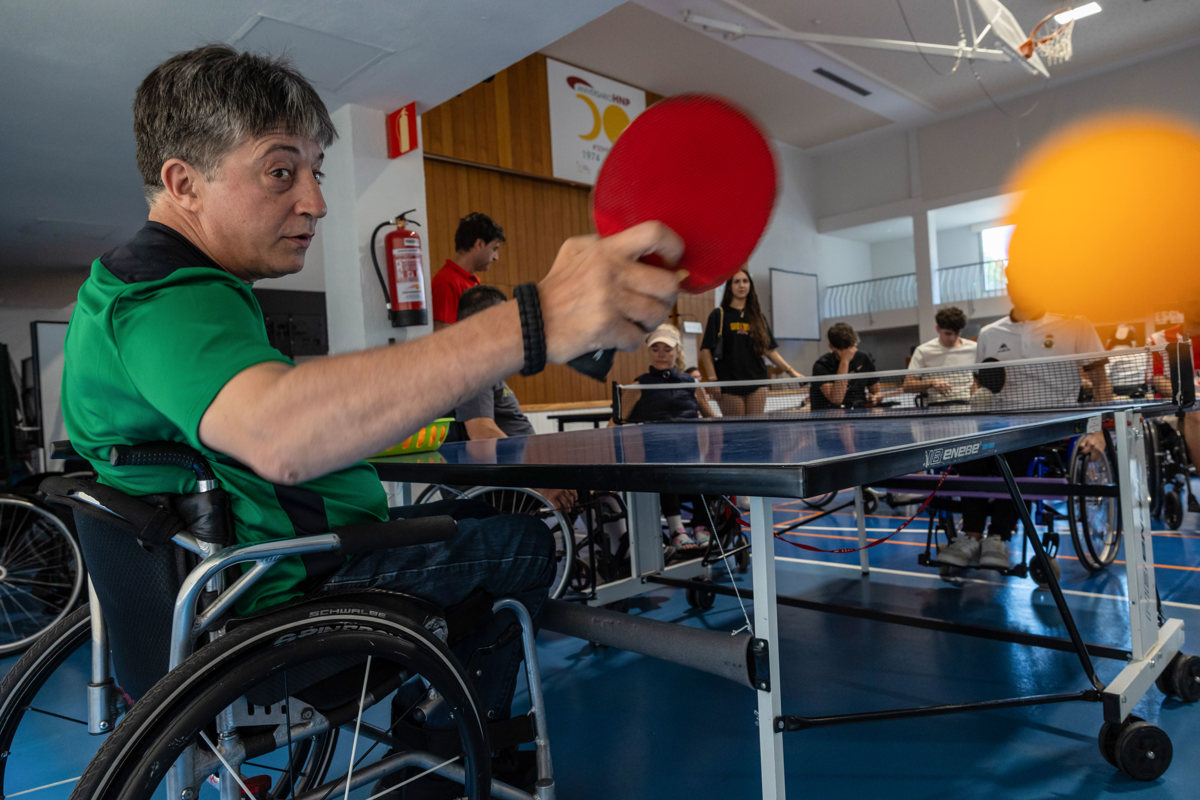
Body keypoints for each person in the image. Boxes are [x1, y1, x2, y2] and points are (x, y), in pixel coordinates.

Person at [58, 44, 683, 781]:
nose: (316, 201)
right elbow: (279, 433)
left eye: (315, 173)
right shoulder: (164, 297)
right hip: (282, 605)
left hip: (246, 585)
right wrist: (537, 316)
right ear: (183, 183)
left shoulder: (150, 289)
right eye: (280, 171)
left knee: (474, 519)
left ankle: (437, 711)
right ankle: (460, 738)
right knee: (523, 542)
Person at [939, 302, 1110, 570]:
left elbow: (1100, 380)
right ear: (1009, 282)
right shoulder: (990, 332)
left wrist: (1098, 430)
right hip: (999, 425)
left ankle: (998, 537)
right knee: (970, 451)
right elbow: (980, 382)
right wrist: (978, 398)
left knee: (1017, 454)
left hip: (1054, 427)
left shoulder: (1075, 323)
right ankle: (970, 537)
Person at [622, 323, 711, 548]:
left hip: (691, 454)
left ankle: (701, 526)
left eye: (667, 349)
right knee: (665, 468)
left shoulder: (691, 383)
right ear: (648, 352)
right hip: (657, 455)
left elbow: (711, 418)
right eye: (655, 349)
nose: (661, 354)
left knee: (711, 470)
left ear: (678, 351)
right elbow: (618, 421)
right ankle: (676, 529)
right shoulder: (639, 385)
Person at [698, 267, 803, 417]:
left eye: (745, 281)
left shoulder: (758, 317)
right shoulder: (718, 315)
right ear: (730, 287)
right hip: (729, 382)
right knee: (737, 431)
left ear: (750, 286)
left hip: (757, 381)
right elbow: (705, 350)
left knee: (756, 429)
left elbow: (769, 350)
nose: (741, 285)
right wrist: (713, 379)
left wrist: (792, 372)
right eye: (737, 282)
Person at [430, 211, 506, 330]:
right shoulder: (446, 283)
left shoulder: (469, 281)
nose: (496, 257)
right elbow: (443, 337)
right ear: (479, 244)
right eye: (494, 248)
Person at [902, 306, 977, 403]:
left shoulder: (974, 348)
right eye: (948, 333)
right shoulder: (923, 351)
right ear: (938, 329)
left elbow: (979, 379)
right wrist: (931, 383)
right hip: (936, 407)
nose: (953, 338)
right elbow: (907, 386)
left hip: (967, 405)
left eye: (957, 333)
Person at [809, 322, 881, 410]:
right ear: (832, 347)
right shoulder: (822, 365)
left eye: (851, 349)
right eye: (844, 351)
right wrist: (845, 361)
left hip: (858, 414)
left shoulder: (864, 358)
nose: (850, 354)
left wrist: (875, 398)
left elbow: (877, 392)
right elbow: (836, 399)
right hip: (827, 416)